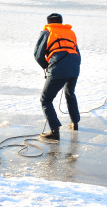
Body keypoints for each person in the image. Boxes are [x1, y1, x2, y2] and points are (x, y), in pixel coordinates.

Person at [34, 13, 81, 141]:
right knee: (70, 93)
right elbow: (77, 52)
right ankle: (75, 123)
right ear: (61, 22)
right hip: (74, 66)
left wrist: (47, 67)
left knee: (45, 99)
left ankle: (55, 131)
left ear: (48, 23)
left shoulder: (46, 33)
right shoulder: (70, 33)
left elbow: (38, 55)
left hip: (58, 68)